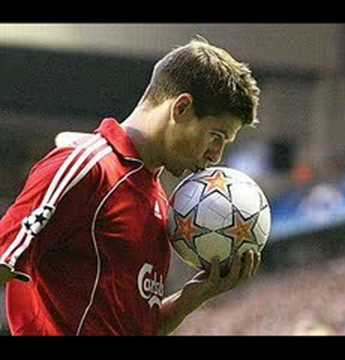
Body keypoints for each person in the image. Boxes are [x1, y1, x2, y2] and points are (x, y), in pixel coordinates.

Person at [0, 37, 262, 336]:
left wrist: (193, 297)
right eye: (216, 136)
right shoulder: (88, 167)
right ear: (182, 108)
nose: (216, 156)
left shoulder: (161, 204)